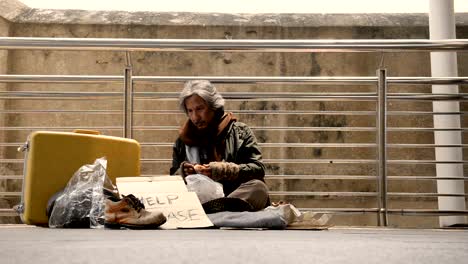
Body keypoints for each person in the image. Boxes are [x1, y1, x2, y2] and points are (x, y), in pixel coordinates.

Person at [170, 80, 269, 213]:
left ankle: (212, 210)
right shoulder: (183, 140)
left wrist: (223, 170)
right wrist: (184, 171)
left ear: (213, 106)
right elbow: (173, 179)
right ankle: (216, 213)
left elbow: (258, 169)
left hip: (233, 195)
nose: (195, 117)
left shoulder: (240, 132)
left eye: (200, 109)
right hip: (199, 196)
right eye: (190, 111)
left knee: (258, 188)